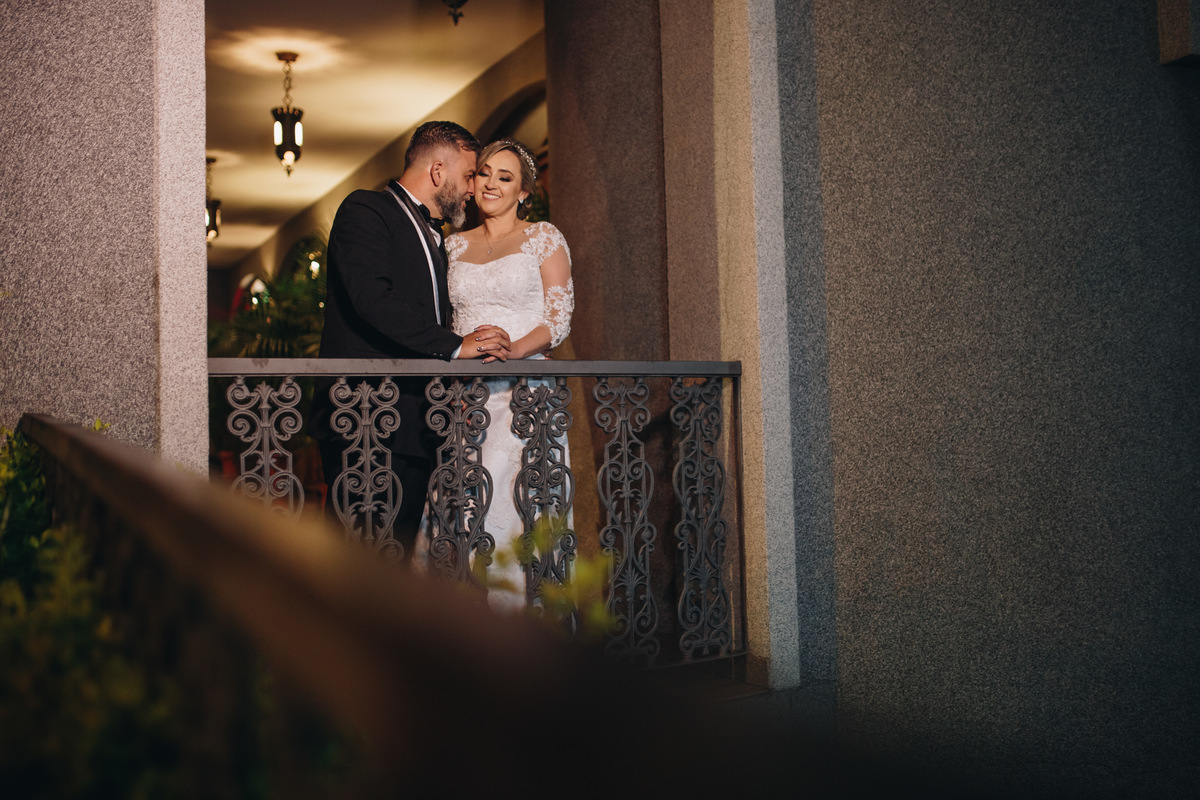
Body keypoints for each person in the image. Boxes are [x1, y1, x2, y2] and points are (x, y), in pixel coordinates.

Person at [310, 121, 511, 559]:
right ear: (438, 171)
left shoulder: (438, 237)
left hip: (417, 422)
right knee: (354, 560)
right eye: (468, 176)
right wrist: (456, 346)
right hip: (366, 416)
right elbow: (372, 299)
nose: (473, 190)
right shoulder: (366, 209)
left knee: (394, 561)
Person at [419, 138, 574, 610]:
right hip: (465, 397)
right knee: (463, 506)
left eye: (505, 177)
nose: (490, 183)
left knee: (518, 505)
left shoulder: (544, 237)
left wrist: (515, 349)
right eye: (484, 173)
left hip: (526, 396)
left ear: (523, 192)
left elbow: (559, 318)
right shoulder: (452, 243)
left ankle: (523, 623)